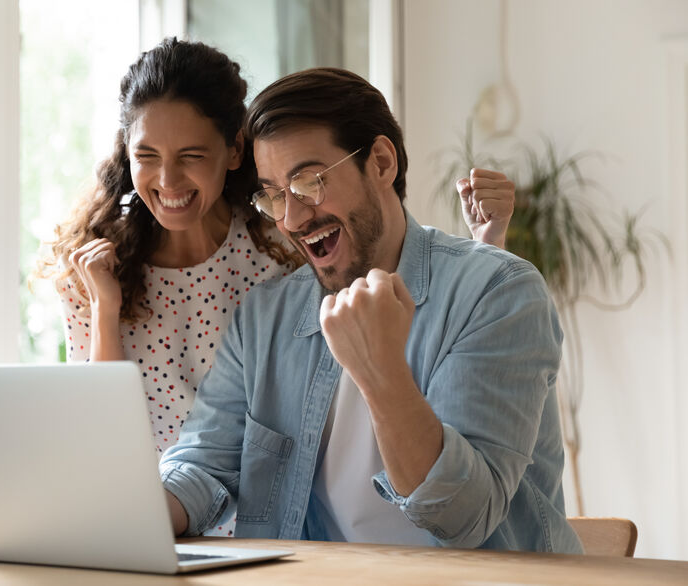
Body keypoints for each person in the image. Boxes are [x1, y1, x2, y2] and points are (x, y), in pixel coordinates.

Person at [159, 67, 582, 553]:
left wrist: (380, 371)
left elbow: (465, 515)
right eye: (275, 195)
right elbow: (203, 464)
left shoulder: (498, 293)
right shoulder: (265, 317)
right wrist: (133, 509)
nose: (292, 219)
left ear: (381, 163)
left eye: (309, 182)